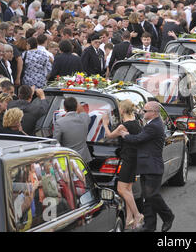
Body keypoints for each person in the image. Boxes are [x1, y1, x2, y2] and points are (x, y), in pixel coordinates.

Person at [118, 101, 174, 232]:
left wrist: (125, 135)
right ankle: (149, 226)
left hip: (152, 167)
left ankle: (168, 215)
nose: (143, 113)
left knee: (152, 195)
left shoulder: (153, 126)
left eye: (145, 111)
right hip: (147, 166)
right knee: (147, 198)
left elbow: (138, 139)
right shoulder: (151, 124)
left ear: (154, 113)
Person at [102, 99, 144, 230]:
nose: (118, 110)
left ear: (123, 110)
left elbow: (109, 135)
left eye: (119, 108)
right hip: (134, 158)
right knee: (128, 189)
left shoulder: (123, 126)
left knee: (121, 189)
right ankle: (129, 219)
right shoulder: (136, 123)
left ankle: (137, 215)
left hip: (128, 159)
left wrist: (105, 123)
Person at [53, 97, 92, 163]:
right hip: (82, 159)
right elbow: (83, 112)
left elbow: (55, 143)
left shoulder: (59, 122)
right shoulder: (84, 118)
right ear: (77, 107)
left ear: (65, 108)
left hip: (67, 160)